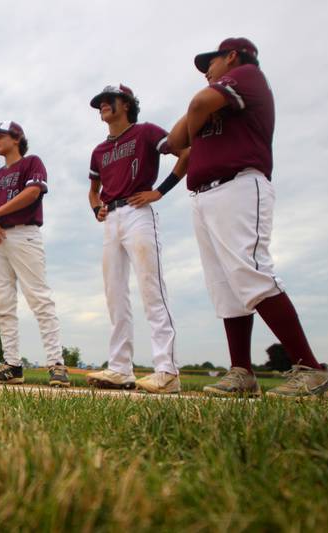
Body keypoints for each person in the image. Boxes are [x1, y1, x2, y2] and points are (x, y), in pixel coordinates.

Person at [166, 37, 328, 398]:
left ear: (231, 56)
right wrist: (200, 112)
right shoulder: (220, 92)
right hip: (205, 194)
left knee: (250, 272)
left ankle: (313, 369)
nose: (206, 72)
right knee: (225, 287)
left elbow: (198, 106)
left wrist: (201, 107)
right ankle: (242, 372)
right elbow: (174, 140)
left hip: (240, 184)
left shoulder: (248, 75)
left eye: (211, 63)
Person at [84, 84, 190, 394]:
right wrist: (96, 209)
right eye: (99, 102)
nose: (102, 105)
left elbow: (185, 151)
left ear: (127, 104)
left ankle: (167, 370)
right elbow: (93, 190)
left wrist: (161, 190)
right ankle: (120, 369)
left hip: (138, 213)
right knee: (114, 295)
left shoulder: (145, 132)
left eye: (108, 100)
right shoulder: (99, 150)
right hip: (112, 219)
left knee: (151, 289)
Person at [0, 121, 69, 387]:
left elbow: (32, 192)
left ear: (17, 138)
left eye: (1, 136)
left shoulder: (32, 162)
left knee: (39, 298)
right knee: (3, 301)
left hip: (24, 233)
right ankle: (12, 365)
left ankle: (56, 364)